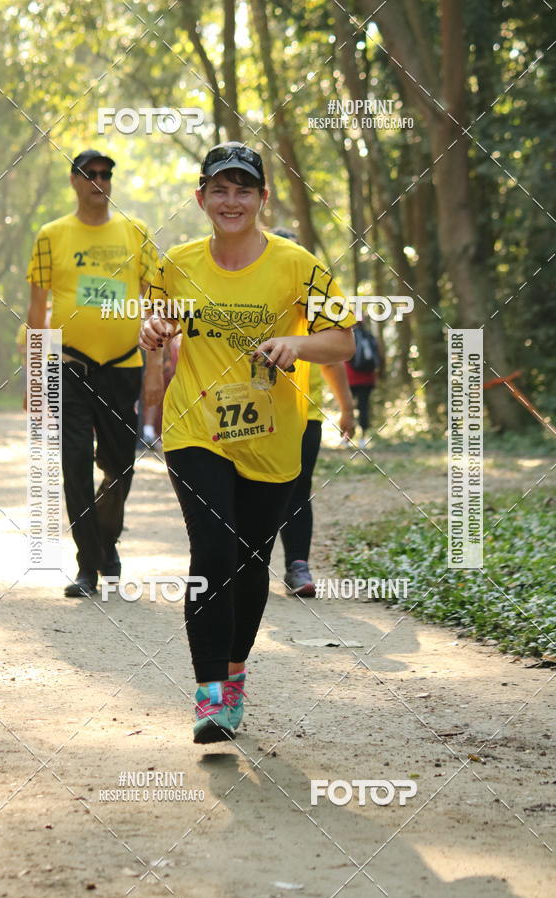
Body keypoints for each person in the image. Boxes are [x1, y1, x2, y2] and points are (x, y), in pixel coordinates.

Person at [140, 141, 355, 743]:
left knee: (251, 560)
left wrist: (298, 344)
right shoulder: (176, 263)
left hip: (272, 435)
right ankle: (210, 696)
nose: (230, 201)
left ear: (262, 198)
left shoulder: (298, 265)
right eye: (219, 189)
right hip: (196, 427)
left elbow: (342, 340)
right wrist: (151, 336)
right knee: (212, 551)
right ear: (201, 197)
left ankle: (234, 676)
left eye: (242, 190)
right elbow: (156, 332)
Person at [26, 149, 163, 597]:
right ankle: (88, 565)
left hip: (123, 366)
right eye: (89, 174)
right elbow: (37, 311)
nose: (98, 181)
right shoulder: (51, 235)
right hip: (70, 365)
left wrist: (155, 369)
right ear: (74, 180)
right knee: (74, 463)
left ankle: (107, 541)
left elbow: (156, 303)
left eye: (105, 174)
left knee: (120, 465)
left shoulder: (136, 231)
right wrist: (34, 376)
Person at [269, 228, 355, 597]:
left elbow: (334, 360)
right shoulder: (253, 296)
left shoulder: (314, 301)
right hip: (253, 409)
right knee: (255, 488)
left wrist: (346, 408)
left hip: (304, 412)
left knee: (297, 487)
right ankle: (247, 564)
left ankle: (297, 566)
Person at [345, 317, 380, 448]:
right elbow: (378, 358)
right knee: (363, 408)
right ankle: (363, 439)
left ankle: (347, 438)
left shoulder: (347, 337)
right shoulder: (370, 337)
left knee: (347, 408)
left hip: (350, 378)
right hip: (367, 379)